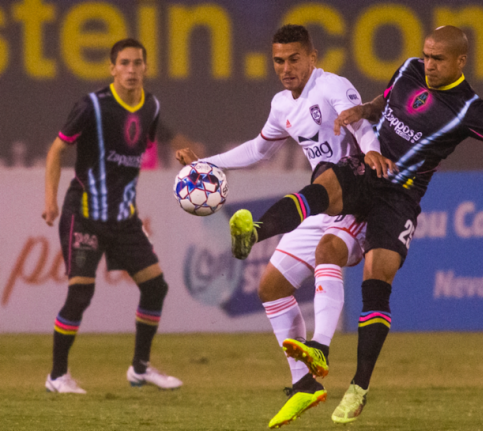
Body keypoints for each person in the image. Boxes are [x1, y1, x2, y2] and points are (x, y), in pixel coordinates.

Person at [228, 25, 483, 423]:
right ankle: (255, 232)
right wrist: (359, 111)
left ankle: (358, 387)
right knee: (325, 182)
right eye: (426, 55)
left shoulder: (470, 110)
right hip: (369, 168)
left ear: (459, 62)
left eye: (438, 59)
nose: (428, 64)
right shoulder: (410, 69)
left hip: (401, 196)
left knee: (376, 277)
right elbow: (382, 103)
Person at [176, 24, 381, 428]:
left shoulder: (333, 86)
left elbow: (360, 125)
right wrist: (207, 163)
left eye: (294, 59)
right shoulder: (282, 105)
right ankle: (304, 384)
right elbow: (258, 149)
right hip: (319, 203)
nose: (286, 68)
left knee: (327, 253)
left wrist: (372, 151)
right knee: (270, 288)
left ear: (312, 57)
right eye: (278, 60)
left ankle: (319, 348)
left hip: (357, 200)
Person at [42, 38, 182, 394]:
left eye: (137, 63)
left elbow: (141, 148)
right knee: (80, 294)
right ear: (112, 68)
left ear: (145, 67)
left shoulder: (151, 106)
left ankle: (139, 369)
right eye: (124, 63)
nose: (131, 70)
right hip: (84, 213)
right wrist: (51, 200)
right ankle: (57, 376)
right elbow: (57, 149)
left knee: (155, 287)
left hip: (124, 219)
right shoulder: (92, 105)